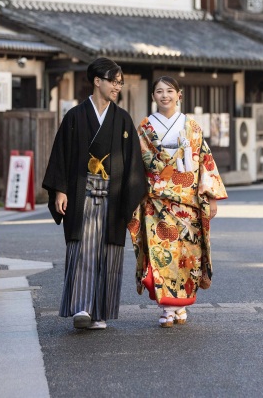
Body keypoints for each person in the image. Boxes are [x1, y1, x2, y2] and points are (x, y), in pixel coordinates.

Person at [42, 58, 147, 331]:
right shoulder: (75, 117)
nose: (117, 86)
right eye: (113, 81)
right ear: (97, 81)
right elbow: (61, 155)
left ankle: (99, 311)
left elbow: (133, 163)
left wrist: (131, 199)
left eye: (120, 82)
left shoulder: (122, 119)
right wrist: (60, 190)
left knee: (108, 253)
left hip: (113, 197)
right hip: (82, 193)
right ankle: (82, 307)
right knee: (83, 250)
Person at [128, 76, 227, 328]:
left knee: (188, 255)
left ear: (179, 95)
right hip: (157, 202)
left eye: (169, 91)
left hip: (188, 202)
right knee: (162, 254)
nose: (164, 96)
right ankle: (166, 307)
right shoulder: (145, 126)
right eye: (159, 91)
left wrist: (212, 196)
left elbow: (205, 160)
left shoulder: (192, 126)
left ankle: (181, 304)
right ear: (153, 97)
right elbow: (140, 164)